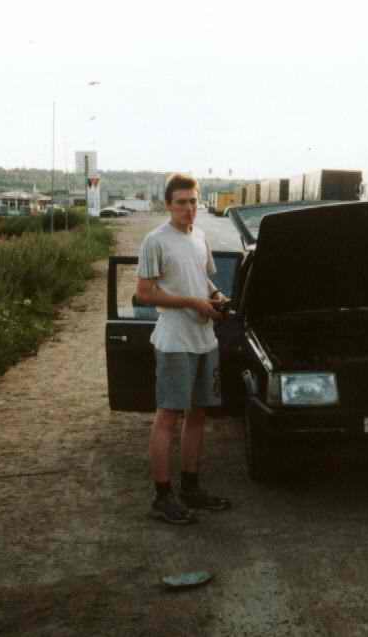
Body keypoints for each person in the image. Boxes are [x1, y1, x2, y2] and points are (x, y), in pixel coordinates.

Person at [136, 173, 232, 525]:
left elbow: (201, 277)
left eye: (193, 201)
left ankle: (191, 488)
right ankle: (162, 497)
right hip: (175, 341)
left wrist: (216, 296)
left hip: (205, 339)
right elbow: (144, 293)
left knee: (198, 414)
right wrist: (192, 302)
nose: (189, 208)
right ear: (168, 204)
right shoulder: (155, 240)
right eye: (181, 202)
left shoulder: (200, 236)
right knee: (168, 417)